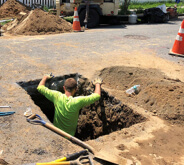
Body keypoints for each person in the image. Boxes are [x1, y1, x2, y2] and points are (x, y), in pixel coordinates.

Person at [37, 74, 102, 136]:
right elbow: (97, 96)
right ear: (76, 89)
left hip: (56, 132)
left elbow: (40, 87)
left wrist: (45, 77)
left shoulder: (57, 96)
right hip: (70, 136)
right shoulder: (77, 101)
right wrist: (97, 84)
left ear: (64, 88)